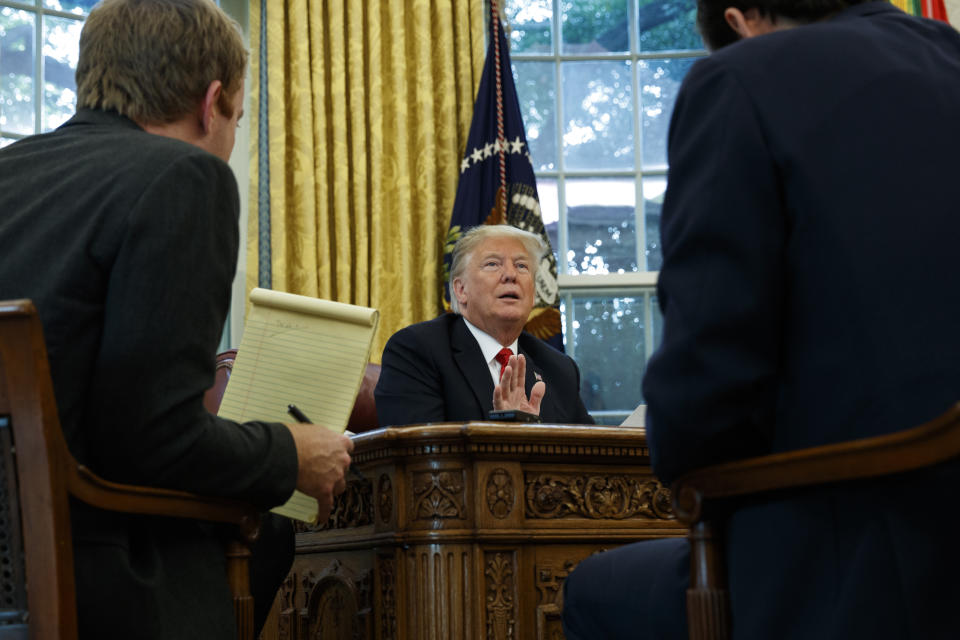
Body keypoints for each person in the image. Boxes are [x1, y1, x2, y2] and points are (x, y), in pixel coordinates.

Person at [562, 1, 960, 638]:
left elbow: (702, 399)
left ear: (741, 22)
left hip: (854, 550)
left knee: (592, 591)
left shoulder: (743, 78)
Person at [0, 1, 353, 638]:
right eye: (238, 120)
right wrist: (289, 454)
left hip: (10, 571)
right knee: (270, 524)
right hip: (95, 577)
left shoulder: (10, 170)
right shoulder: (185, 177)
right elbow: (150, 439)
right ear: (211, 101)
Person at [375, 224, 594, 426]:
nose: (510, 275)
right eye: (492, 264)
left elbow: (592, 456)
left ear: (534, 293)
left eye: (521, 266)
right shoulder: (418, 350)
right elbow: (421, 453)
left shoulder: (558, 369)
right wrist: (508, 432)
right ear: (461, 290)